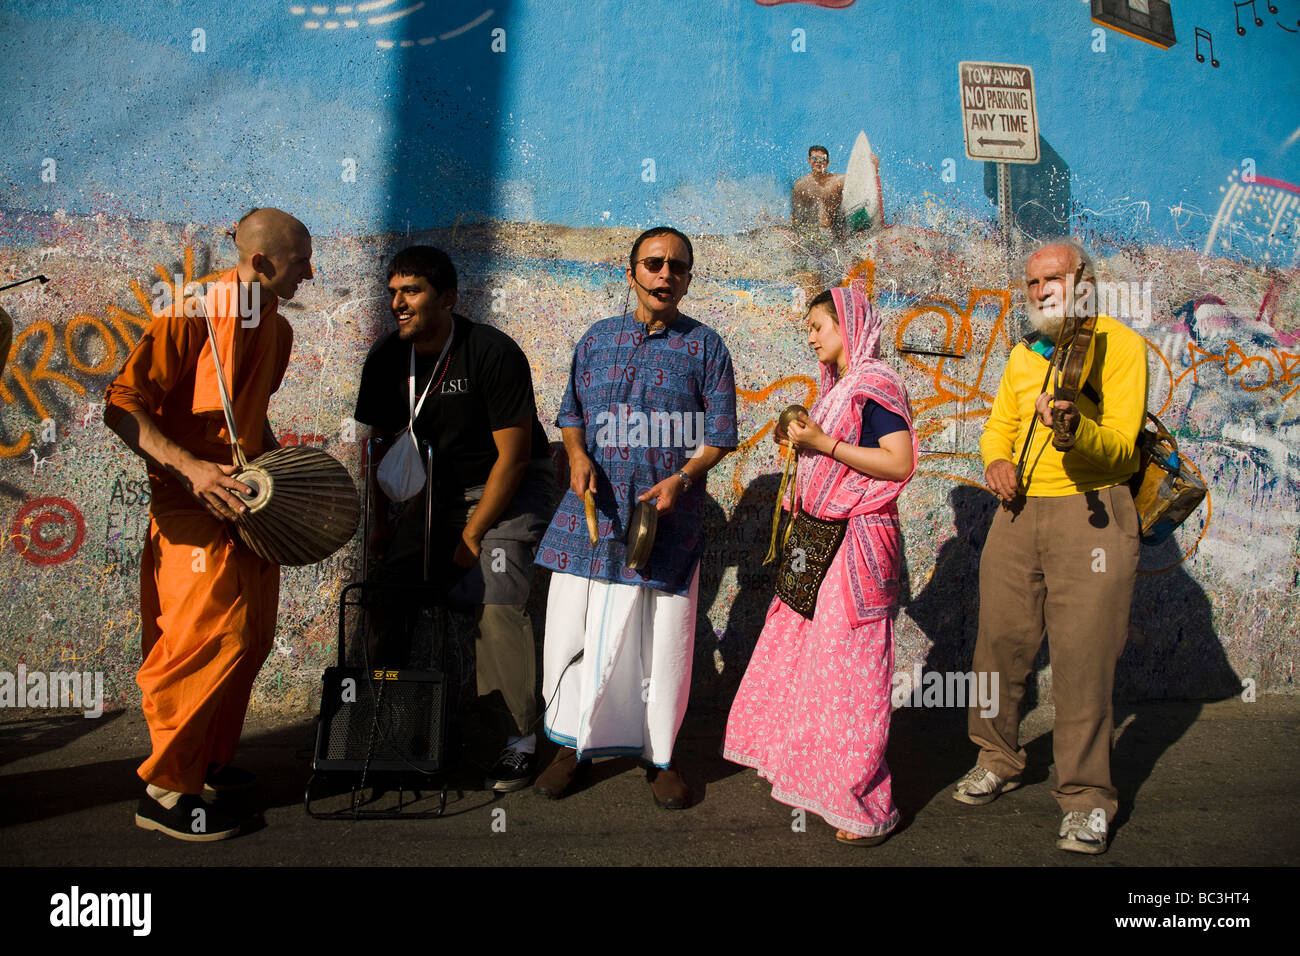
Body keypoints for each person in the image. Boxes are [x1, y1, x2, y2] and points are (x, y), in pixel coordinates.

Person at [104, 207, 312, 841]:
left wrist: (277, 474)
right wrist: (191, 467)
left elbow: (247, 420)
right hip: (188, 502)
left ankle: (209, 761)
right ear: (259, 263)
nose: (310, 272)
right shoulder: (191, 310)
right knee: (203, 638)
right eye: (301, 261)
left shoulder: (275, 331)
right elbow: (122, 405)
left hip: (244, 501)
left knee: (250, 635)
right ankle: (167, 792)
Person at [953, 239, 1147, 855]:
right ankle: (997, 757)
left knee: (1084, 659)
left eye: (1052, 279)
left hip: (1091, 515)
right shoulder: (1022, 354)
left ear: (1083, 280)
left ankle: (1087, 797)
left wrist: (1074, 430)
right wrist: (997, 459)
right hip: (1018, 515)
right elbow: (998, 425)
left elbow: (1122, 447)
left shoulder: (1117, 345)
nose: (1040, 291)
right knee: (999, 646)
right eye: (1032, 283)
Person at [533, 226, 737, 809]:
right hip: (590, 520)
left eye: (677, 266)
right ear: (632, 273)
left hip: (663, 526)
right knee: (574, 632)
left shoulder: (706, 348)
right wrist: (575, 456)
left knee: (662, 643)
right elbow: (570, 412)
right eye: (653, 263)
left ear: (688, 279)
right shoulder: (597, 339)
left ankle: (661, 757)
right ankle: (569, 749)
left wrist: (684, 477)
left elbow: (720, 435)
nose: (664, 274)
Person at [354, 245, 555, 792]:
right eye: (392, 292)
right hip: (434, 490)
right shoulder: (387, 359)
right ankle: (385, 724)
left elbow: (513, 459)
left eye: (411, 292)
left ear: (447, 298)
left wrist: (472, 535)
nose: (398, 303)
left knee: (495, 589)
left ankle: (517, 740)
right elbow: (377, 447)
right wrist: (380, 525)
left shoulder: (490, 352)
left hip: (506, 486)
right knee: (386, 592)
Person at [723, 286, 916, 844]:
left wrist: (824, 444)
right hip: (821, 541)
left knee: (852, 671)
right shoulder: (837, 390)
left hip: (855, 544)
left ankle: (864, 802)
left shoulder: (874, 385)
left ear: (848, 325)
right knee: (817, 664)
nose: (809, 338)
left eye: (817, 327)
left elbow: (898, 463)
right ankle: (814, 777)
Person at [791, 145, 845, 235]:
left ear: (827, 162)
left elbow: (859, 183)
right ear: (809, 160)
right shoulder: (801, 185)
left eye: (822, 159)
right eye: (814, 158)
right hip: (812, 235)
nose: (818, 162)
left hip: (835, 233)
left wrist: (873, 168)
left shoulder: (839, 181)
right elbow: (795, 215)